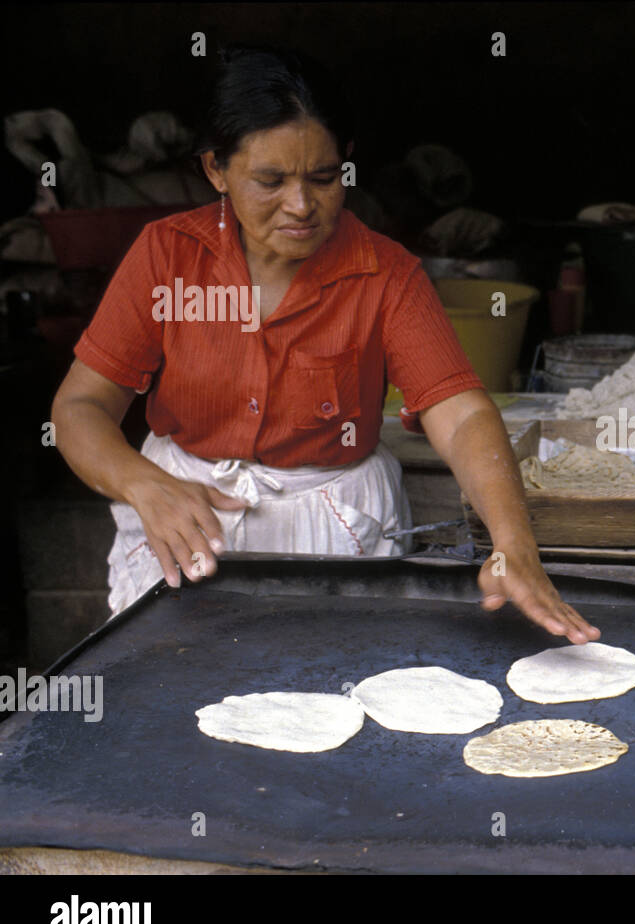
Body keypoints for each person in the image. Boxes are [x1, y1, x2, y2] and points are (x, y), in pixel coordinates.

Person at [49, 45, 599, 643]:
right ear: (216, 170)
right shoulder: (167, 256)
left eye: (324, 177)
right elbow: (80, 408)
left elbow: (459, 411)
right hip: (181, 525)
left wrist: (513, 543)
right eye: (270, 180)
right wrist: (141, 483)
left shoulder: (386, 273)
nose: (302, 206)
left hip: (333, 532)